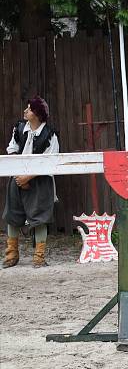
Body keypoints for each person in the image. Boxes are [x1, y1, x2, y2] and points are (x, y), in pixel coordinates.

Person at [3, 96, 59, 268]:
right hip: (16, 177)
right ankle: (11, 255)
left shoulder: (50, 134)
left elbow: (50, 160)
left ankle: (39, 257)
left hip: (40, 181)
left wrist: (28, 178)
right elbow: (12, 149)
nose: (25, 111)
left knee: (40, 217)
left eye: (29, 109)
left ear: (37, 114)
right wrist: (19, 175)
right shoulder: (19, 128)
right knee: (13, 215)